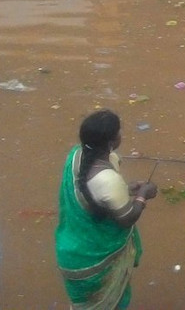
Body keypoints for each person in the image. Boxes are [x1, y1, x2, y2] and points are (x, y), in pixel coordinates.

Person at [55, 109, 158, 310]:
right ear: (112, 141)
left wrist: (126, 189)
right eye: (119, 132)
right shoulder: (108, 179)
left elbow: (93, 193)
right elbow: (127, 218)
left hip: (72, 250)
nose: (121, 135)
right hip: (95, 259)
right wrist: (142, 195)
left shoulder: (75, 155)